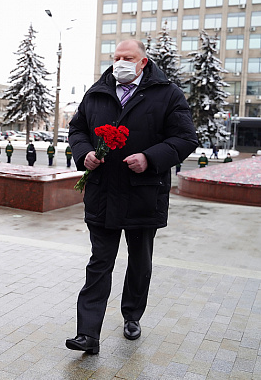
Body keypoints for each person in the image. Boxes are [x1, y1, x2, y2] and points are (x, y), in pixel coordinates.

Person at [66, 39, 197, 354]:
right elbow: (77, 130)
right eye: (116, 57)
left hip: (143, 194)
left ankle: (132, 315)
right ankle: (88, 333)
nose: (120, 62)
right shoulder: (98, 91)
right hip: (103, 193)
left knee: (139, 262)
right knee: (99, 262)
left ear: (143, 62)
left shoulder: (167, 94)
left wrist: (150, 158)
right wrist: (84, 153)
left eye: (128, 57)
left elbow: (185, 137)